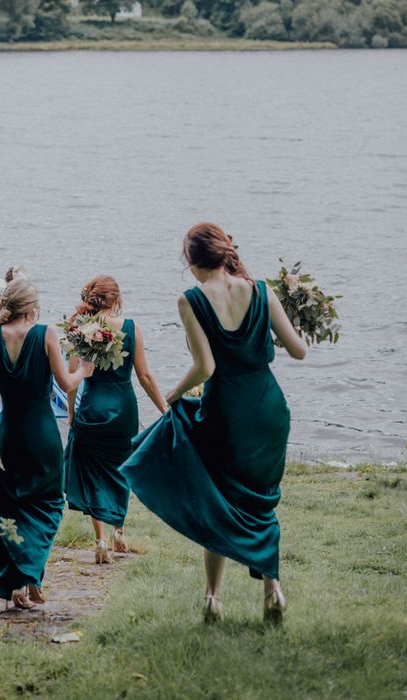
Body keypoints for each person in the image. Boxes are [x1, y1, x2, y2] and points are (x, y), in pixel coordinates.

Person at [121, 223, 306, 625]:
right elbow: (299, 351)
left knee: (217, 499)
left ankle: (212, 598)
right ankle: (272, 589)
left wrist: (171, 396)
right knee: (263, 498)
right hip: (269, 408)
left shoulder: (190, 300)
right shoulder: (261, 291)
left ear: (190, 261)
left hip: (226, 410)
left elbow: (206, 367)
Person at [0, 279, 94, 609]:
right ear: (33, 307)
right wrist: (85, 372)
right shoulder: (45, 333)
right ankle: (28, 576)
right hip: (42, 433)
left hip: (11, 432)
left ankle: (28, 579)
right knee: (50, 504)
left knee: (22, 503)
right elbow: (66, 383)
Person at [64, 276, 167, 564]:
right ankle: (118, 533)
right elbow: (145, 376)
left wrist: (72, 412)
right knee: (120, 469)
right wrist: (164, 410)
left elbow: (72, 379)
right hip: (123, 408)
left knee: (94, 471)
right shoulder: (132, 328)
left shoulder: (79, 330)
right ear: (117, 299)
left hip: (93, 406)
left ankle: (99, 542)